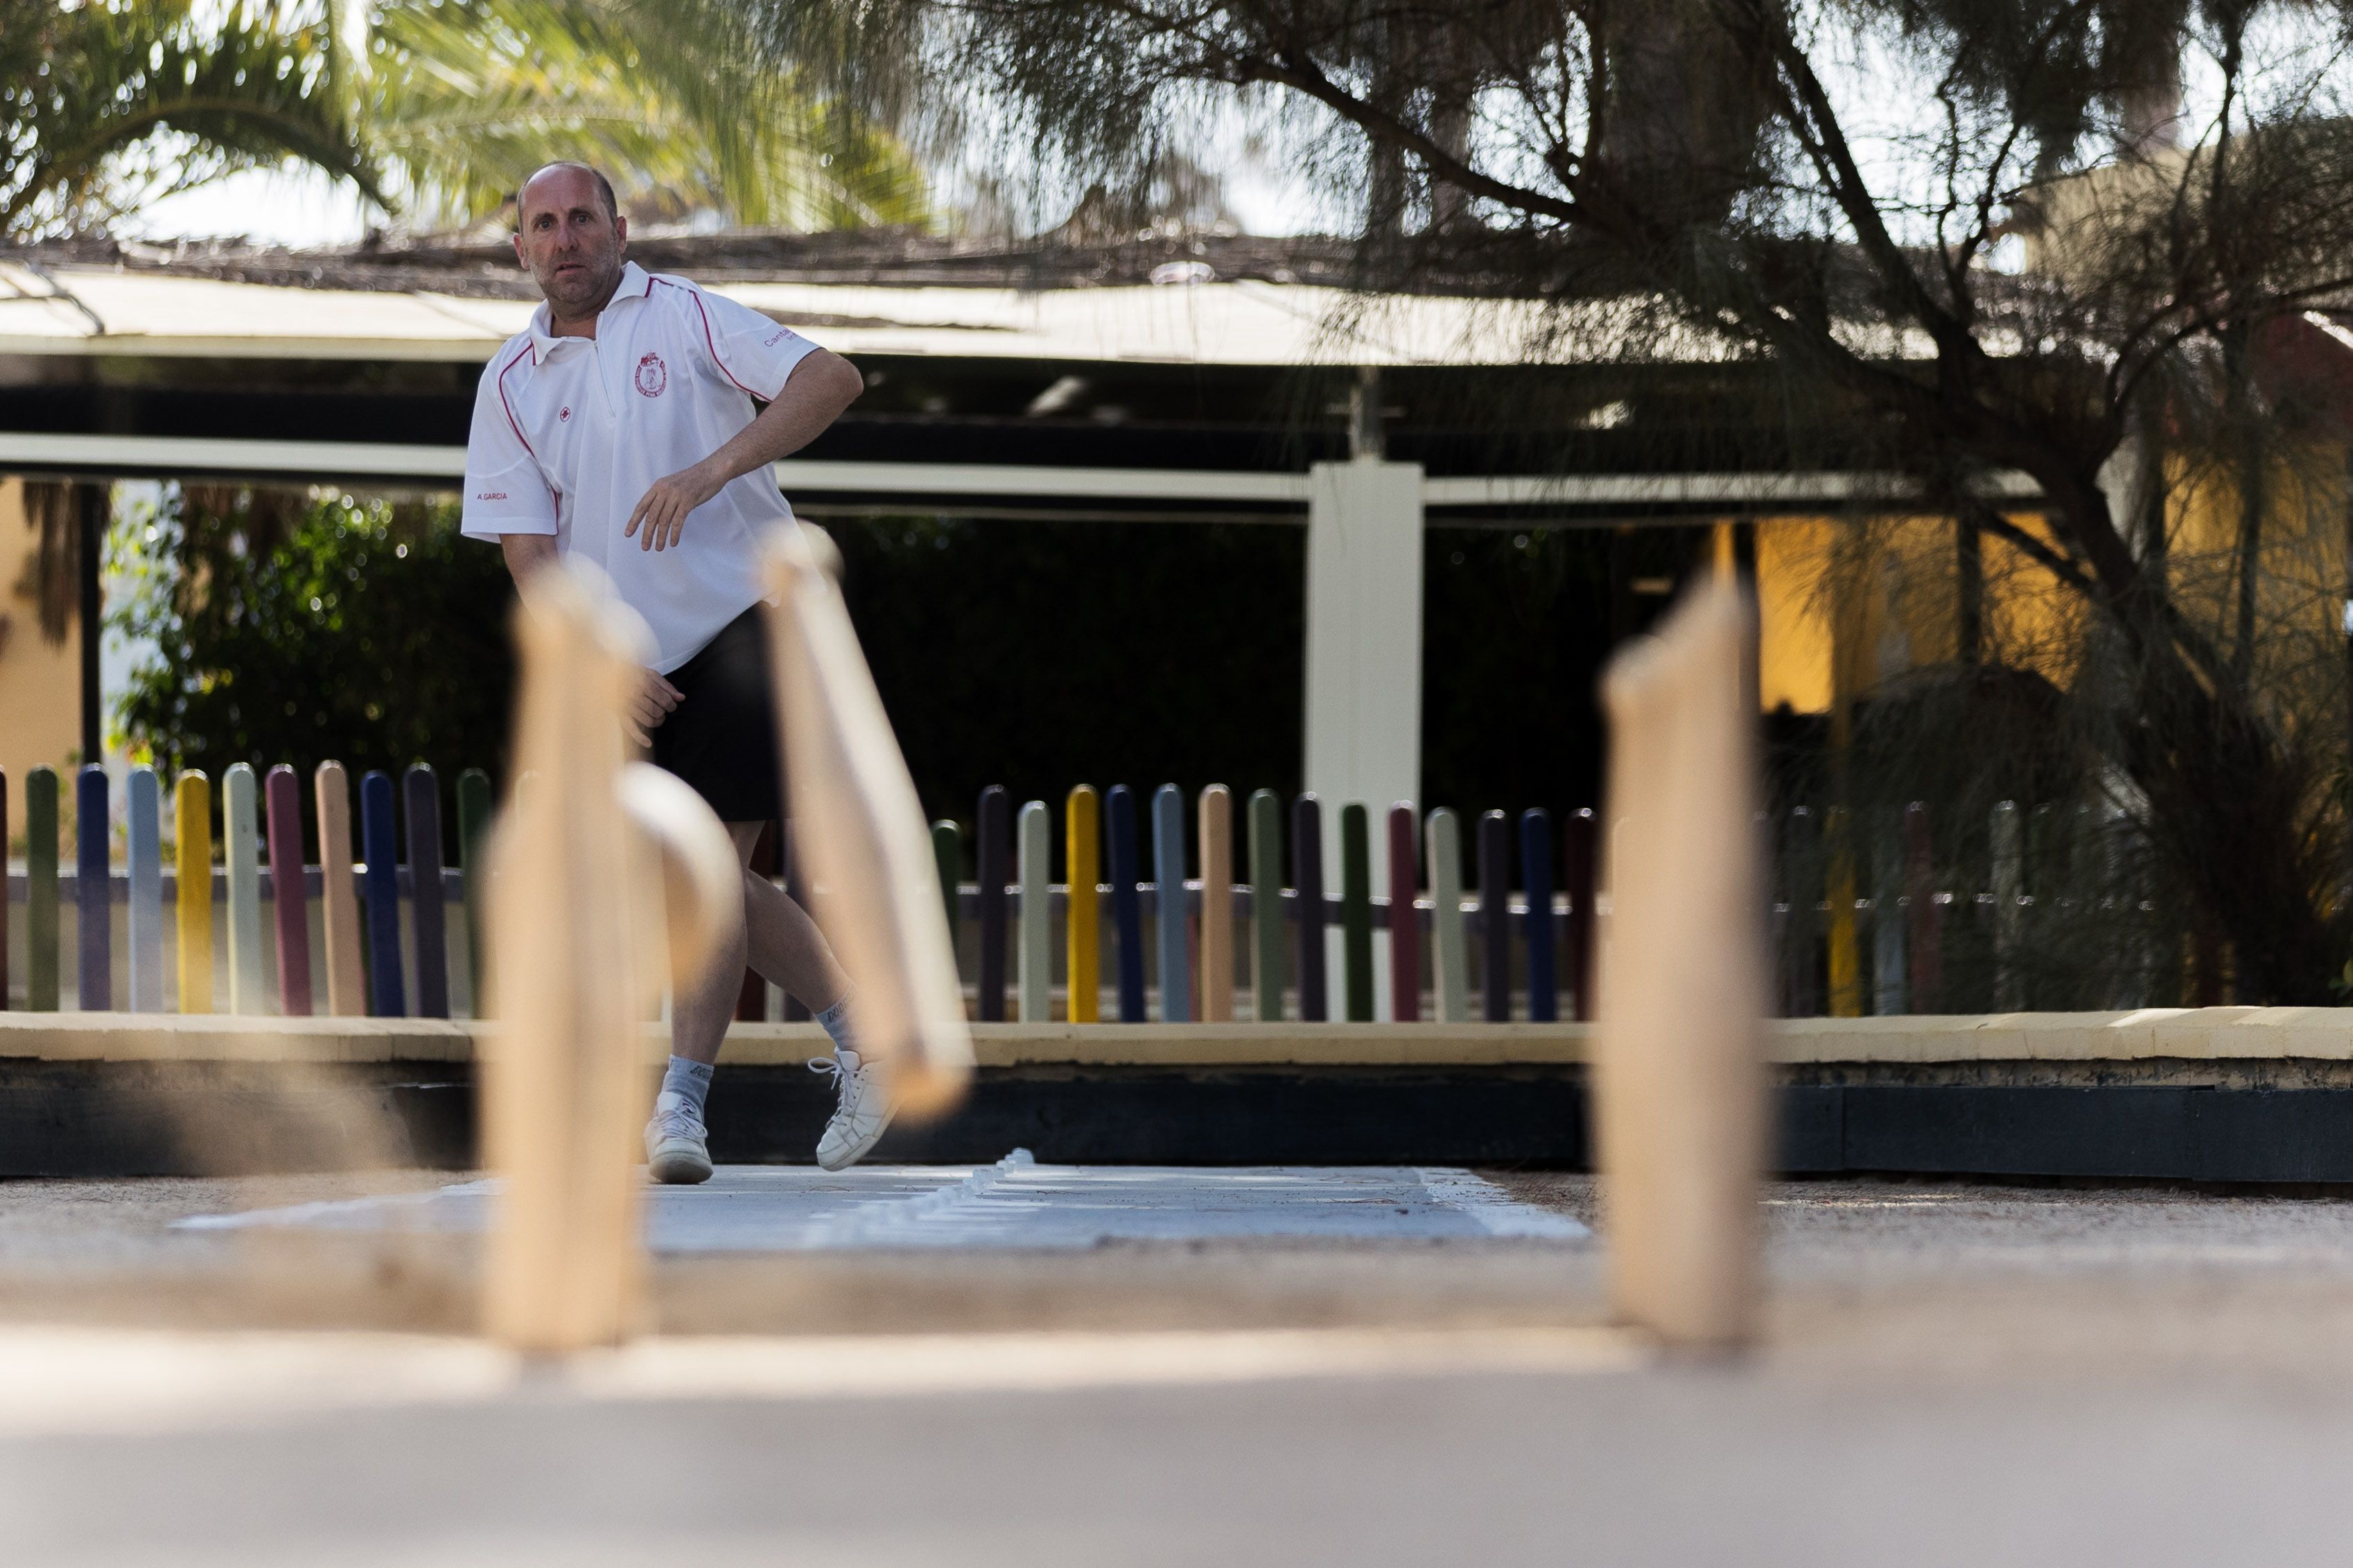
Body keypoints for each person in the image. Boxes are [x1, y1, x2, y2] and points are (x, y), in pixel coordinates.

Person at [461, 160, 890, 1183]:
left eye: (582, 219)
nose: (565, 239)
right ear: (522, 248)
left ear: (619, 227)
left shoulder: (690, 318)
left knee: (705, 869)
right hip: (630, 665)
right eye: (543, 225)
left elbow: (833, 377)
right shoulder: (509, 384)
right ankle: (868, 1037)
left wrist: (711, 472)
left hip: (752, 619)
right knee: (689, 880)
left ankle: (680, 1111)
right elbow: (528, 553)